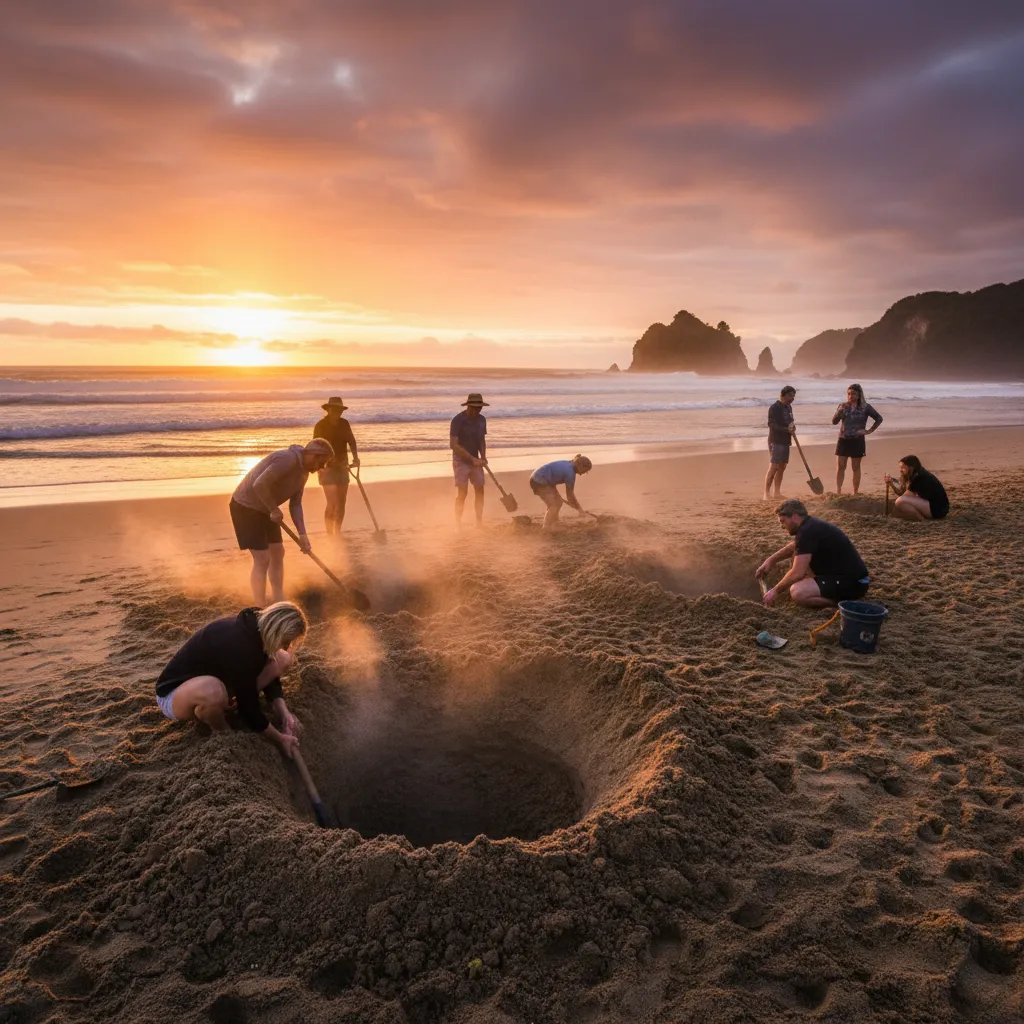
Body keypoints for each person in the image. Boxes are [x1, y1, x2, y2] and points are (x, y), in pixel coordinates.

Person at [155, 601, 306, 759]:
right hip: (174, 695)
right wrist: (280, 738)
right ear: (277, 630)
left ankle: (228, 701)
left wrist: (284, 712)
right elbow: (249, 711)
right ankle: (222, 731)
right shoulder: (241, 646)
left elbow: (269, 675)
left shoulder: (260, 626)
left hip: (221, 679)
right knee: (213, 691)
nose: (287, 645)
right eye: (286, 641)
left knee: (282, 658)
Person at [229, 438, 334, 604]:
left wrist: (303, 535)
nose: (321, 467)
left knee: (278, 553)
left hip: (266, 509)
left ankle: (278, 597)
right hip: (245, 507)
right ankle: (260, 605)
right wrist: (273, 509)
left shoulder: (303, 474)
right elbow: (259, 484)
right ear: (313, 455)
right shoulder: (286, 460)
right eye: (322, 462)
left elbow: (296, 505)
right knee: (262, 558)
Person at [756, 498, 870, 608]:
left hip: (854, 583)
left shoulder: (807, 531)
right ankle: (821, 588)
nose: (782, 526)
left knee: (798, 592)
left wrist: (774, 591)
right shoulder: (810, 525)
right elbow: (796, 546)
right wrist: (771, 560)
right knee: (796, 557)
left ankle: (841, 605)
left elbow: (797, 573)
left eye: (783, 521)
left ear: (794, 516)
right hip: (848, 576)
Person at [313, 396, 359, 535]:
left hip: (342, 466)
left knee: (341, 503)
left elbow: (351, 441)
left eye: (340, 410)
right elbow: (315, 446)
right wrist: (325, 462)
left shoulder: (344, 424)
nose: (338, 412)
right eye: (335, 409)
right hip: (326, 468)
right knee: (332, 502)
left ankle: (337, 532)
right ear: (328, 409)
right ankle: (329, 533)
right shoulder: (320, 425)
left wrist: (356, 458)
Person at [832, 383, 882, 494]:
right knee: (840, 467)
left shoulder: (865, 407)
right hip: (843, 439)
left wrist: (869, 431)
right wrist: (840, 411)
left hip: (857, 440)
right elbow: (834, 422)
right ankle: (838, 491)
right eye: (848, 394)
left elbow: (879, 419)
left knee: (855, 467)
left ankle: (855, 492)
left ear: (859, 395)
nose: (850, 396)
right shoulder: (843, 406)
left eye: (853, 393)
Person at [450, 393, 488, 526]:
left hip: (476, 460)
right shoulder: (458, 421)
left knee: (480, 489)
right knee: (463, 492)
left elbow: (481, 439)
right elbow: (453, 445)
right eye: (475, 408)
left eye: (480, 408)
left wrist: (483, 456)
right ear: (469, 407)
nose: (478, 411)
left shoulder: (482, 420)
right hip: (460, 460)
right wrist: (471, 458)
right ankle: (458, 524)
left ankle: (479, 523)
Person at [530, 454, 593, 529]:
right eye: (585, 470)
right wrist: (580, 510)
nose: (584, 473)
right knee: (553, 505)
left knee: (558, 502)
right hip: (539, 481)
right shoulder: (570, 473)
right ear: (580, 466)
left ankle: (554, 521)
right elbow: (570, 496)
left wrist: (578, 508)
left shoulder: (569, 464)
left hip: (541, 479)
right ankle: (546, 528)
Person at [886, 455, 949, 521]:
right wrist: (891, 483)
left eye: (903, 468)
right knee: (902, 501)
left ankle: (921, 520)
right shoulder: (919, 473)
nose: (900, 470)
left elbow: (903, 496)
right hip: (939, 507)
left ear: (911, 467)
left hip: (937, 510)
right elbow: (903, 492)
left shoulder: (919, 478)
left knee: (899, 502)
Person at [764, 385, 797, 501]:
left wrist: (793, 427)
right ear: (783, 395)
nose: (792, 398)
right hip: (775, 440)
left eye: (793, 396)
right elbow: (771, 425)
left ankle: (776, 493)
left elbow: (790, 422)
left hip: (786, 440)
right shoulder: (774, 408)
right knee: (774, 467)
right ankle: (766, 494)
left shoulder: (789, 408)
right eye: (790, 395)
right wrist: (786, 429)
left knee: (782, 467)